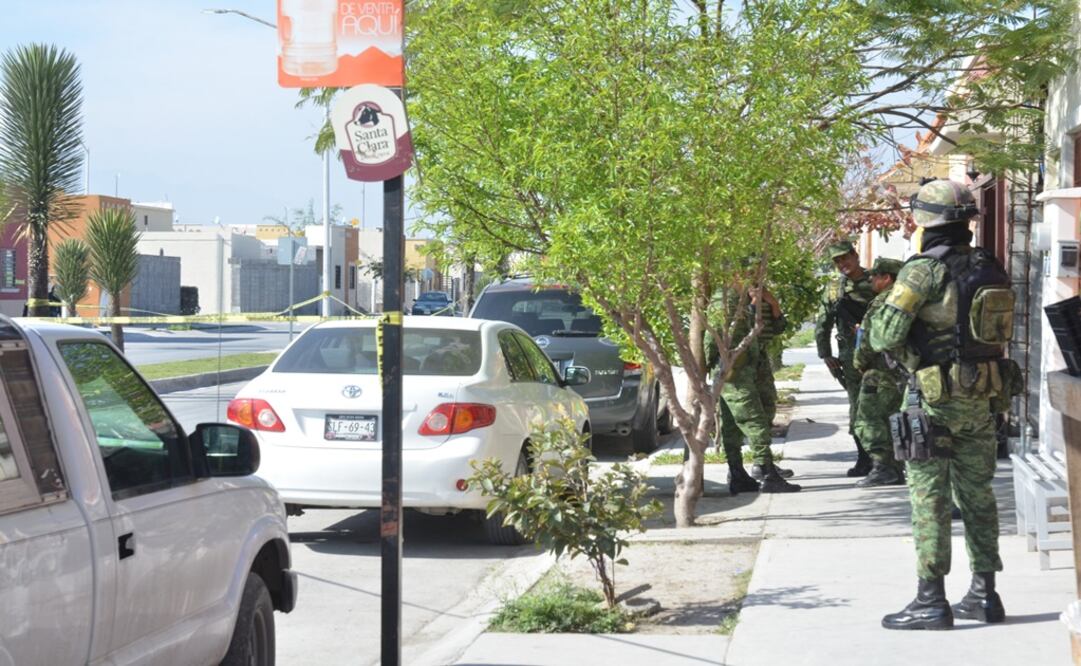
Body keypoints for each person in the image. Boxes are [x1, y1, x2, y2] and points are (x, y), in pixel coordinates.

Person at [869, 179, 1012, 630]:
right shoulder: (991, 266)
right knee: (979, 497)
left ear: (924, 220)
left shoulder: (923, 271)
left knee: (929, 500)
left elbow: (884, 336)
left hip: (932, 404)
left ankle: (931, 601)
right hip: (983, 400)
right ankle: (985, 595)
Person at [709, 282, 800, 494]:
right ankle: (766, 474)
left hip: (754, 363)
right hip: (734, 367)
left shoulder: (760, 291)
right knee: (751, 419)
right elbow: (722, 335)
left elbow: (777, 327)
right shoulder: (727, 298)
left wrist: (771, 302)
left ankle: (741, 473)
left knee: (752, 416)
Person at [815, 240, 877, 476]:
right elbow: (823, 324)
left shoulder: (877, 281)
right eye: (837, 261)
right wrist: (825, 354)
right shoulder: (834, 290)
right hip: (851, 358)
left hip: (882, 355)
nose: (843, 264)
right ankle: (864, 458)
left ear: (855, 254)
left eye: (845, 257)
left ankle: (887, 459)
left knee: (886, 405)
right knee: (858, 407)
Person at [851, 257, 906, 488]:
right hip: (900, 372)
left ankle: (883, 467)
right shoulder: (905, 301)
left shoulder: (881, 303)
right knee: (891, 418)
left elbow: (867, 341)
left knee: (867, 420)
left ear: (887, 278)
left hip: (879, 372)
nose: (871, 279)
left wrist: (858, 362)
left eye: (875, 275)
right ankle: (893, 468)